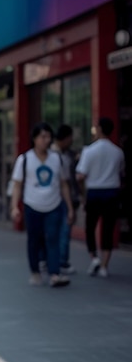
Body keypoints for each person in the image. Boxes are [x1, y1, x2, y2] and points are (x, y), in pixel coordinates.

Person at [10, 122, 74, 287]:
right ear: (35, 139)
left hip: (54, 205)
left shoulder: (57, 158)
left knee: (53, 238)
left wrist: (70, 207)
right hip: (32, 205)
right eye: (42, 136)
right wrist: (14, 206)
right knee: (34, 240)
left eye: (48, 137)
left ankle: (54, 273)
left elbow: (64, 184)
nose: (46, 140)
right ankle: (35, 271)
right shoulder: (24, 159)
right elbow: (17, 184)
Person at [76, 117, 126, 278]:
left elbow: (80, 176)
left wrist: (82, 194)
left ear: (99, 129)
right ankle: (105, 265)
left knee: (90, 227)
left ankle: (94, 257)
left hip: (94, 192)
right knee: (108, 229)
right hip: (111, 192)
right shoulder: (118, 152)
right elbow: (121, 173)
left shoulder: (89, 151)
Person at [51, 124, 79, 274]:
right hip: (58, 198)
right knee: (63, 230)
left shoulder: (62, 154)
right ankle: (62, 261)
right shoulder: (57, 156)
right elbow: (65, 182)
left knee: (55, 231)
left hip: (57, 197)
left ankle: (53, 260)